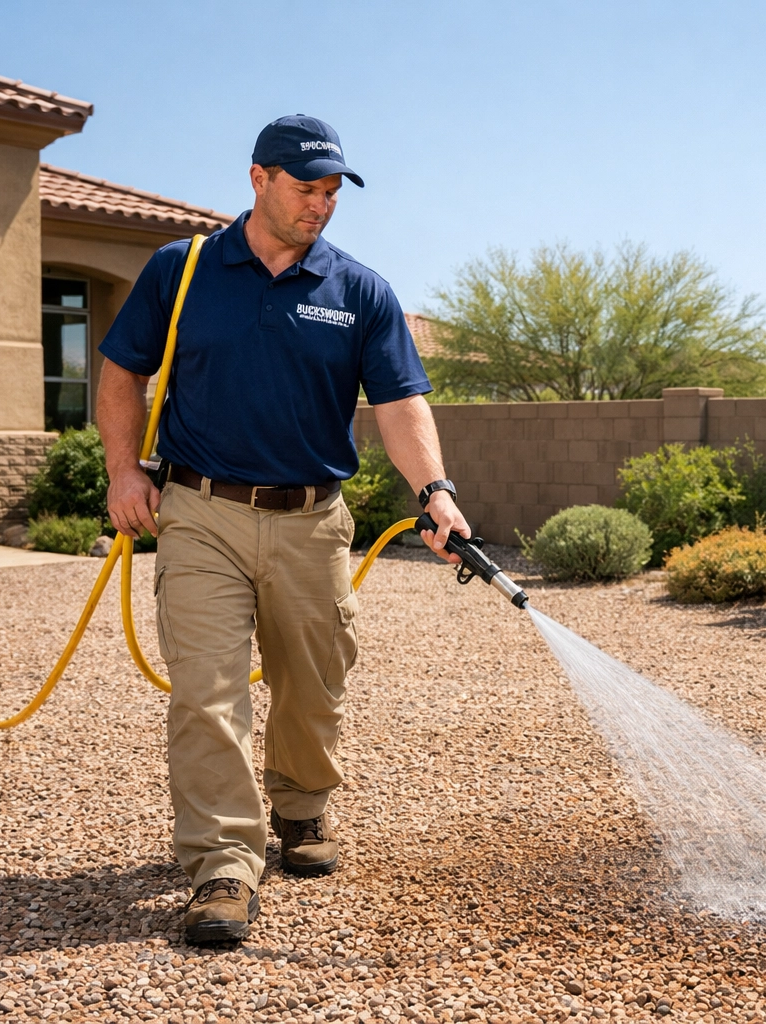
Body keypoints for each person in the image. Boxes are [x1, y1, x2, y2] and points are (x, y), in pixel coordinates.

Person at [96, 114, 470, 946]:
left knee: (314, 679)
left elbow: (402, 404)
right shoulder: (183, 270)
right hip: (199, 512)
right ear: (259, 178)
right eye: (308, 188)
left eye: (334, 192)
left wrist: (436, 492)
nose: (322, 206)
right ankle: (223, 864)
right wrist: (125, 470)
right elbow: (123, 368)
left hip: (311, 522)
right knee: (209, 689)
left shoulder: (359, 289)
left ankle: (300, 809)